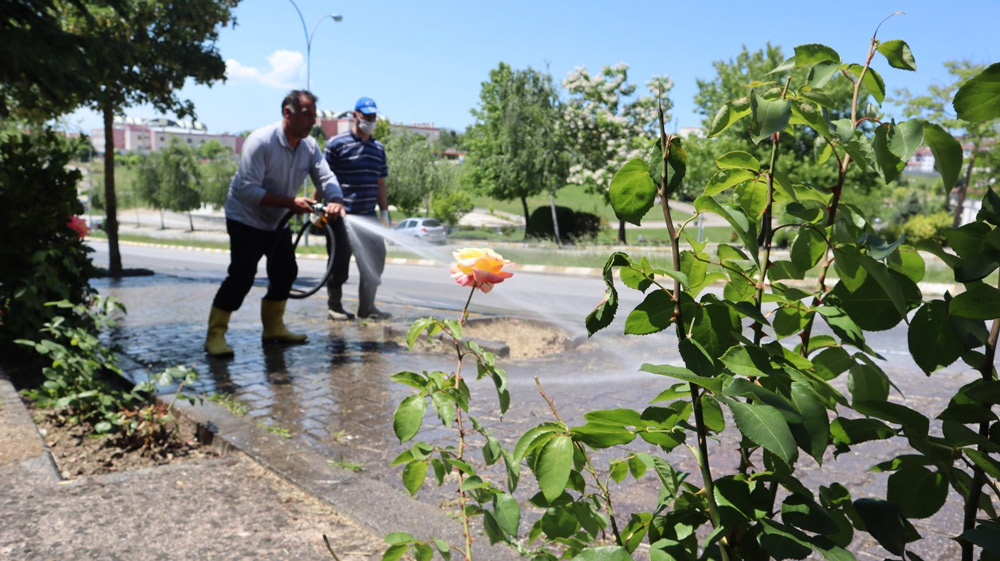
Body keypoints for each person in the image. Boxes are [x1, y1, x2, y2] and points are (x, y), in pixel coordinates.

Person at [204, 90, 345, 357]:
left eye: (314, 116)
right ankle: (215, 336)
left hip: (276, 220)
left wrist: (335, 198)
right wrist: (291, 203)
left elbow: (325, 177)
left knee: (285, 272)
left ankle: (273, 329)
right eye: (307, 115)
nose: (312, 121)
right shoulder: (260, 142)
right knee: (242, 276)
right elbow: (247, 190)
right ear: (287, 113)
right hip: (245, 218)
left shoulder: (309, 146)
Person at [316, 96, 391, 321]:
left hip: (368, 216)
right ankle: (335, 307)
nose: (370, 119)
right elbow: (322, 178)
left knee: (376, 262)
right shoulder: (337, 144)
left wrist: (384, 212)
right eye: (366, 115)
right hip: (341, 216)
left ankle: (367, 307)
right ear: (355, 115)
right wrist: (317, 208)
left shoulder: (378, 149)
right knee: (338, 264)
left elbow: (381, 183)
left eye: (373, 116)